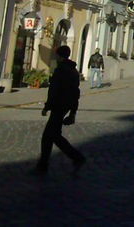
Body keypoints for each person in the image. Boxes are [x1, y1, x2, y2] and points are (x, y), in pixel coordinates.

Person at [34, 45, 85, 176]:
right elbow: (76, 93)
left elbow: (54, 90)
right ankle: (43, 165)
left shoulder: (60, 70)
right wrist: (73, 112)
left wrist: (47, 107)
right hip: (65, 106)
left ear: (59, 56)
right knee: (53, 136)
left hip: (58, 106)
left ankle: (76, 158)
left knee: (49, 136)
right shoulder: (73, 71)